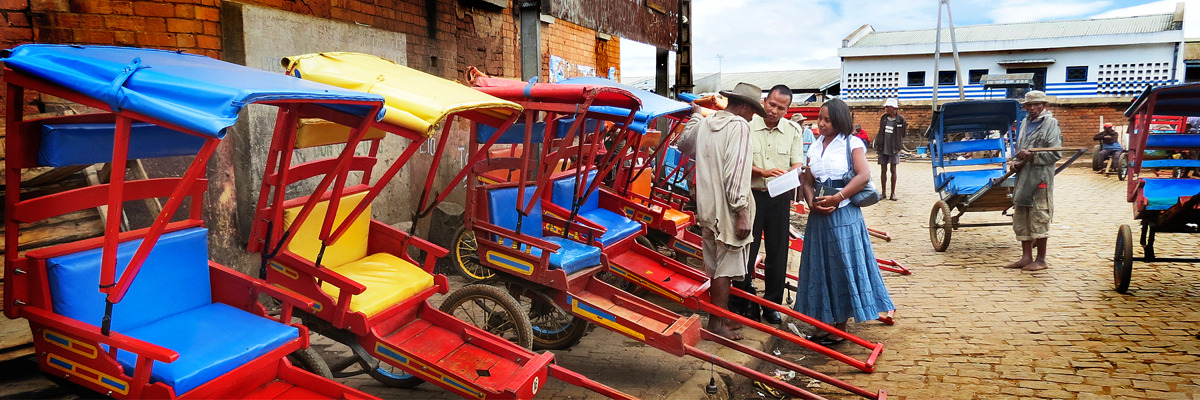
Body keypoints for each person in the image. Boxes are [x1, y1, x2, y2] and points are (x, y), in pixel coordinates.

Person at [793, 98, 894, 346]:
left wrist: (837, 198)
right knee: (819, 267)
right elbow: (808, 181)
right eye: (820, 118)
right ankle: (822, 323)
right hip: (819, 216)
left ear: (839, 121)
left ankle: (840, 326)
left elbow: (864, 175)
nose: (821, 123)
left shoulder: (852, 143)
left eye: (827, 120)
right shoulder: (815, 147)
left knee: (842, 267)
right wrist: (811, 202)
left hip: (844, 215)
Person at [676, 82, 766, 340]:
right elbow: (735, 172)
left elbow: (684, 145)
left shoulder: (707, 122)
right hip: (728, 208)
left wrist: (695, 116)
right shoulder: (739, 126)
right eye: (753, 112)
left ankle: (720, 316)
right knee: (726, 267)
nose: (752, 117)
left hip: (707, 206)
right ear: (745, 106)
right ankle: (717, 322)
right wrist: (742, 212)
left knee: (716, 266)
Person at [737, 84, 805, 324]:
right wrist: (763, 172)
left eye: (781, 108)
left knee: (778, 251)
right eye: (772, 104)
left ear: (788, 110)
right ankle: (744, 300)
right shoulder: (746, 126)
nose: (774, 111)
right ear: (764, 101)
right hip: (752, 196)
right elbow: (739, 160)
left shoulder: (793, 131)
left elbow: (797, 162)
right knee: (747, 249)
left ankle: (772, 305)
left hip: (780, 197)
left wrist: (793, 173)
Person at [1005, 90, 1062, 272]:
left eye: (1036, 104)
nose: (1031, 108)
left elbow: (1055, 153)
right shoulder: (1024, 123)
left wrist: (1033, 156)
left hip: (1040, 177)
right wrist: (1016, 161)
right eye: (1028, 105)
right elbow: (1019, 149)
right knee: (1021, 215)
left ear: (1043, 105)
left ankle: (1041, 259)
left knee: (1039, 215)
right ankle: (1026, 257)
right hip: (1023, 176)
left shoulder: (1051, 124)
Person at [874, 98, 906, 200]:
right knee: (883, 170)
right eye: (886, 107)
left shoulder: (900, 120)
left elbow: (903, 134)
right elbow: (881, 131)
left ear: (894, 108)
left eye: (888, 107)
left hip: (894, 148)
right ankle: (883, 193)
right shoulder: (884, 118)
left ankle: (893, 193)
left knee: (893, 169)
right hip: (883, 147)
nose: (886, 109)